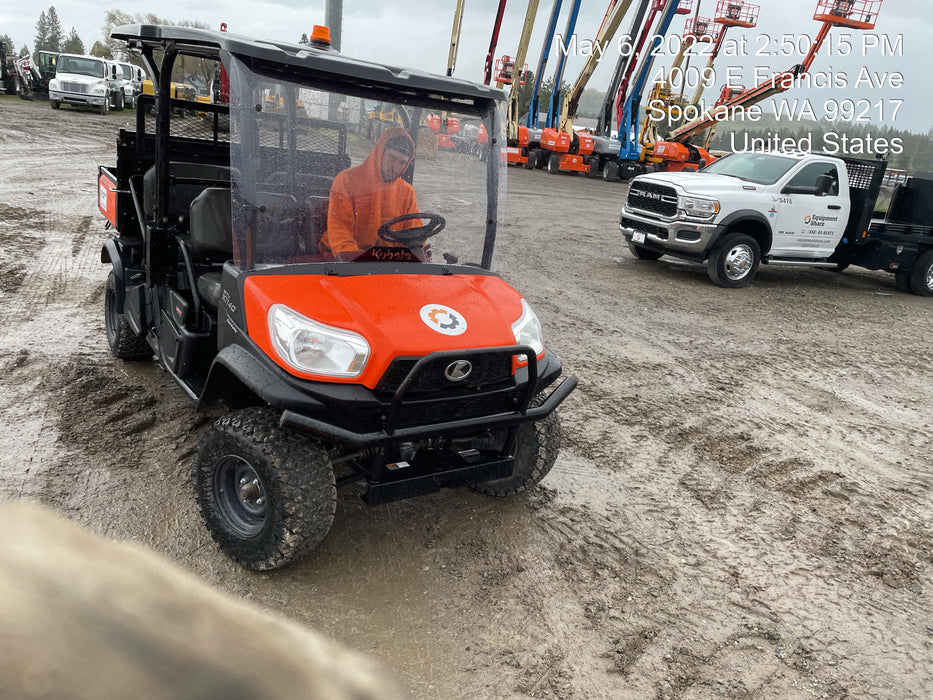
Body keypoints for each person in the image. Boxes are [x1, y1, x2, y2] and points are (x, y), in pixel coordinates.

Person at [320, 127, 421, 261]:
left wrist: (415, 253)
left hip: (385, 260)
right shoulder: (346, 180)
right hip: (346, 257)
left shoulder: (406, 191)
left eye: (402, 162)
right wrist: (358, 263)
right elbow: (340, 232)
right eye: (391, 157)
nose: (395, 167)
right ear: (380, 153)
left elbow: (413, 232)